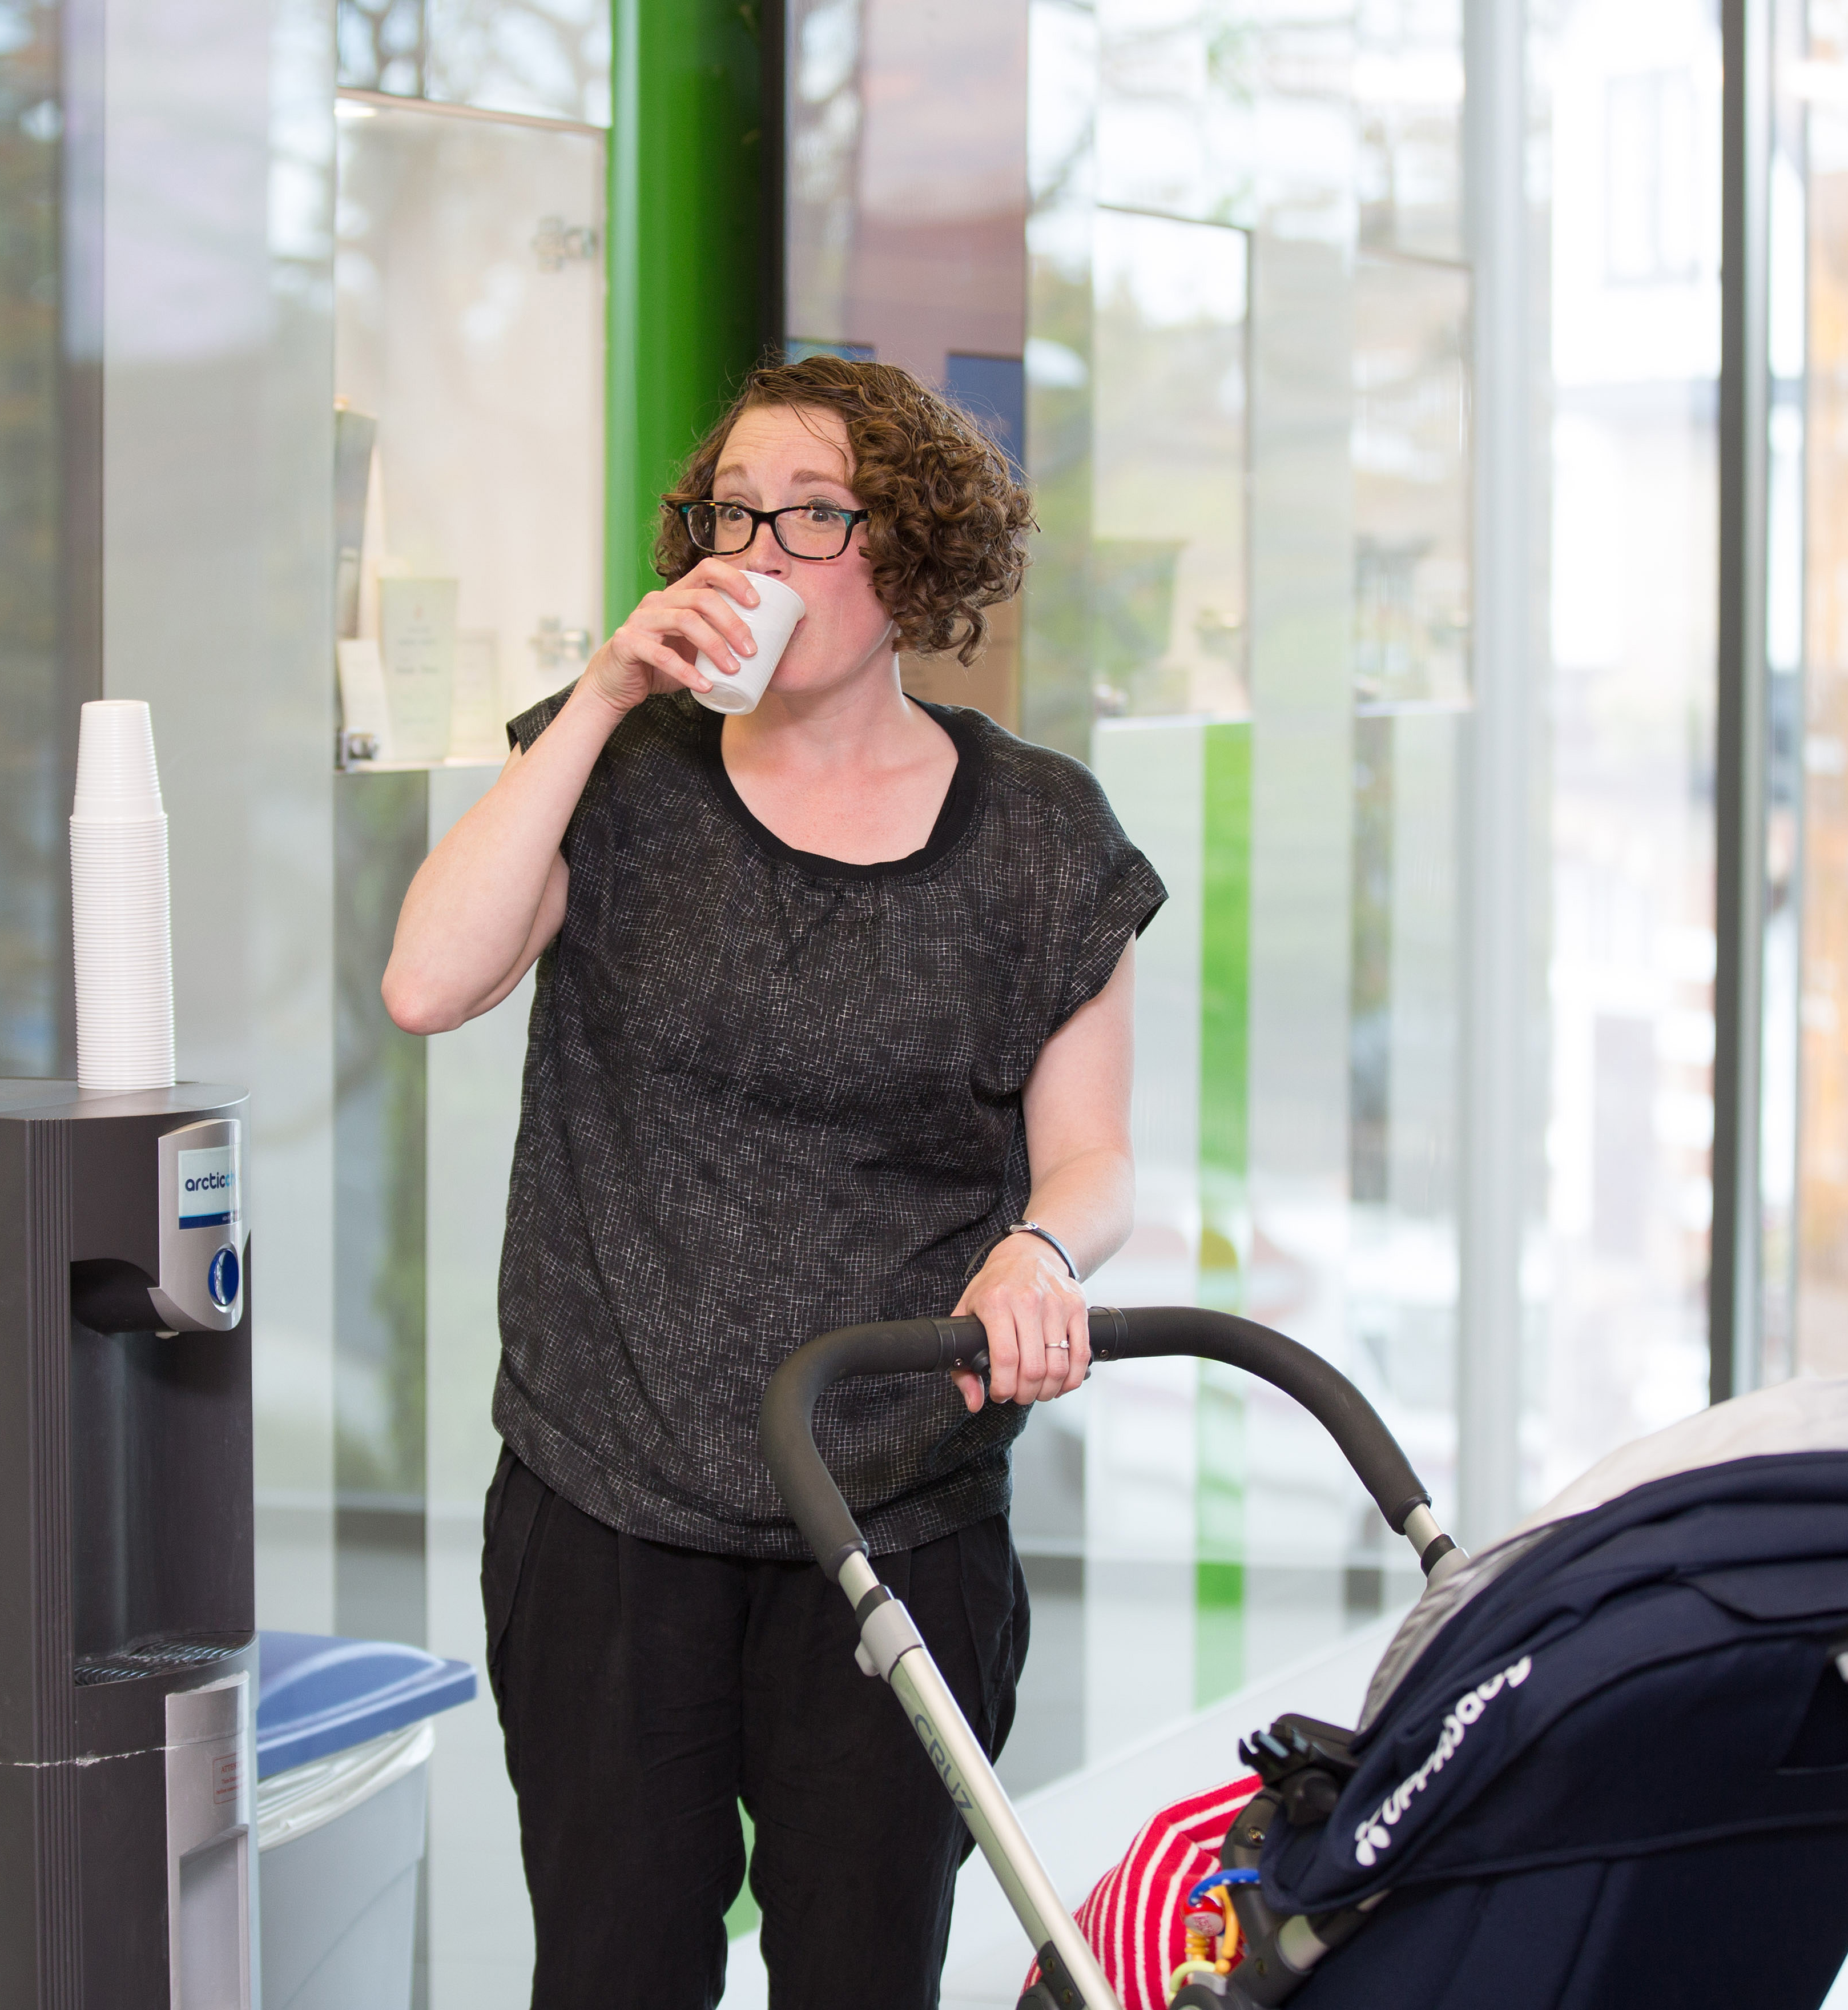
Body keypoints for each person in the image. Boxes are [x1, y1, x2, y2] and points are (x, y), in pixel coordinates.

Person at [382, 354, 1165, 2008]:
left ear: (913, 555)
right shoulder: (617, 773)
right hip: (607, 1502)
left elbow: (1088, 1159)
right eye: (732, 513)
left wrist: (1036, 1252)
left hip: (895, 1516)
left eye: (813, 514)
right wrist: (594, 697)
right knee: (610, 1972)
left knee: (861, 1975)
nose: (759, 548)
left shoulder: (1039, 837)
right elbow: (426, 986)